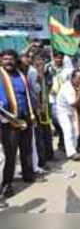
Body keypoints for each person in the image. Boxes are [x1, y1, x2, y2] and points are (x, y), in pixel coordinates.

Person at [0, 50, 36, 199]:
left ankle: (28, 174)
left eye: (11, 59)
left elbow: (26, 93)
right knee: (10, 154)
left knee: (26, 148)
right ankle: (7, 184)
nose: (8, 61)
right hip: (7, 120)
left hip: (25, 116)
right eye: (5, 59)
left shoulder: (21, 74)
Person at [46, 50, 72, 153]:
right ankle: (62, 140)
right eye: (56, 57)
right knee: (56, 122)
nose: (58, 59)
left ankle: (64, 144)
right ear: (53, 58)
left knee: (64, 123)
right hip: (52, 100)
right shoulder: (48, 68)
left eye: (60, 58)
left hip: (64, 100)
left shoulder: (67, 70)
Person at [56, 69, 80, 161]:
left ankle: (74, 148)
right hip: (63, 111)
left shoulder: (77, 86)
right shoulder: (66, 88)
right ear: (72, 78)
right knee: (68, 130)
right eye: (78, 78)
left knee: (75, 130)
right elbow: (73, 103)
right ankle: (71, 153)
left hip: (72, 110)